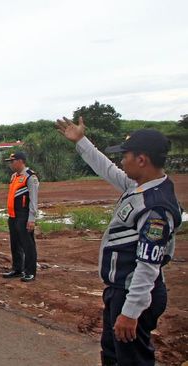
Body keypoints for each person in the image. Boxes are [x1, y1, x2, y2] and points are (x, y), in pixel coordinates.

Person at [55, 117, 182, 366]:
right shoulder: (140, 186)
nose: (121, 162)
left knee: (132, 360)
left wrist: (131, 312)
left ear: (142, 160)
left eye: (125, 156)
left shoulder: (155, 207)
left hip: (134, 294)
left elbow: (147, 265)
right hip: (120, 290)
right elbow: (107, 170)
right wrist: (82, 141)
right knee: (113, 355)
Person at [2, 152, 39, 282]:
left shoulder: (30, 177)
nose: (11, 164)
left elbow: (33, 200)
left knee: (28, 245)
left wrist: (31, 219)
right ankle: (17, 269)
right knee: (15, 244)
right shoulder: (14, 177)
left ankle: (30, 271)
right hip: (13, 215)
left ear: (21, 161)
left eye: (12, 161)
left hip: (24, 215)